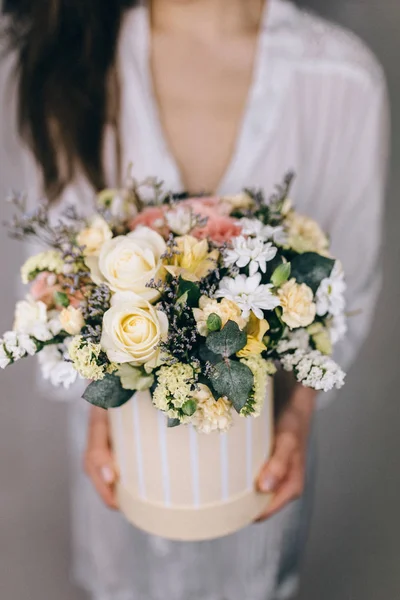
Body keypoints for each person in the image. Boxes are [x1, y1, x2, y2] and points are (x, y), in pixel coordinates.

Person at [1, 1, 389, 599]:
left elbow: (346, 288)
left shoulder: (341, 82)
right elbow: (62, 292)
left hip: (254, 483)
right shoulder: (68, 64)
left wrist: (296, 415)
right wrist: (104, 405)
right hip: (121, 496)